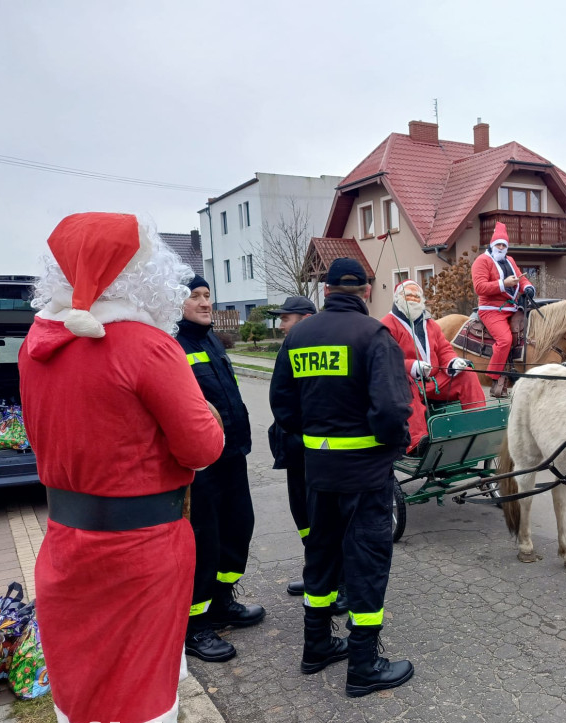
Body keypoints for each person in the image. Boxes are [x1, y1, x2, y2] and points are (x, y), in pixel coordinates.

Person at [19, 212, 225, 723]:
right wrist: (208, 414)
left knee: (91, 698)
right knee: (136, 710)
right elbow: (203, 447)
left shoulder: (38, 345)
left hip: (66, 544)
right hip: (140, 553)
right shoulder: (148, 347)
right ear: (141, 272)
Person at [269, 257, 415, 697]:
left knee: (322, 558)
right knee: (366, 564)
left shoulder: (298, 337)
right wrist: (392, 446)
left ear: (327, 290)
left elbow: (283, 406)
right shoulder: (374, 336)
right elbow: (391, 411)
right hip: (366, 475)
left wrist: (315, 439)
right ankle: (364, 664)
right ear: (366, 291)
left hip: (318, 474)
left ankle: (316, 647)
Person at [177, 275, 265, 663]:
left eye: (207, 295)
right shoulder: (172, 346)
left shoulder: (212, 340)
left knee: (237, 527)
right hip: (200, 466)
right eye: (194, 296)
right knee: (204, 541)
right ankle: (195, 627)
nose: (204, 302)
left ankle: (222, 601)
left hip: (232, 454)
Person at [267, 296, 347, 611]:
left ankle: (339, 582)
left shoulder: (319, 351)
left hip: (314, 453)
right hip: (294, 452)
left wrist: (304, 436)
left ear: (303, 318)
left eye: (286, 318)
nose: (281, 324)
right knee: (305, 520)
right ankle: (317, 575)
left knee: (326, 521)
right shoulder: (292, 348)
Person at [380, 280, 485, 454]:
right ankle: (417, 442)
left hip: (435, 381)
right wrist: (412, 366)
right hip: (409, 383)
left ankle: (477, 426)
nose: (413, 299)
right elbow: (386, 360)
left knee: (467, 374)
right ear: (398, 298)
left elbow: (444, 349)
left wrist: (453, 362)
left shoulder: (430, 324)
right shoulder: (387, 325)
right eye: (408, 295)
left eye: (417, 296)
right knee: (406, 384)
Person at [471, 221, 534, 398]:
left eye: (503, 245)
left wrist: (527, 287)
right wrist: (503, 284)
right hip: (491, 309)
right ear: (492, 245)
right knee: (505, 339)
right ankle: (495, 376)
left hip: (512, 307)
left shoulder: (510, 260)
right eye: (498, 244)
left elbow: (520, 279)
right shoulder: (481, 261)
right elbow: (479, 287)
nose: (501, 247)